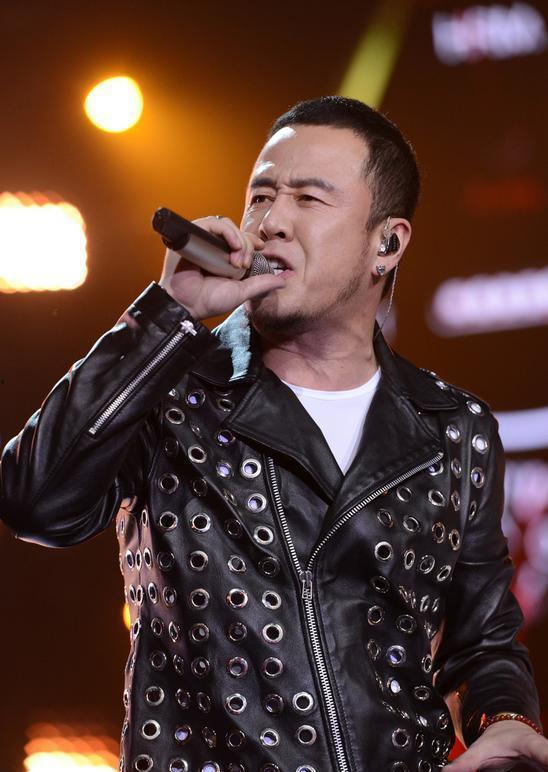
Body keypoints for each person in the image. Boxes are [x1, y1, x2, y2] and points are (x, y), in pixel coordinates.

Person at [1, 96, 546, 772]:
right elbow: (34, 500)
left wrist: (506, 719)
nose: (271, 223)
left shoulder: (453, 428)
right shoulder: (169, 395)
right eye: (261, 197)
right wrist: (167, 315)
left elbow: (483, 643)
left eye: (308, 199)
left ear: (387, 243)